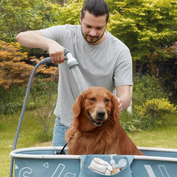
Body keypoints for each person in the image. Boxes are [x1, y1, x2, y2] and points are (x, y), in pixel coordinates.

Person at [16, 0, 133, 148]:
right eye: (88, 26)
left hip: (101, 130)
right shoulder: (66, 34)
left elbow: (125, 95)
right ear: (80, 19)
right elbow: (22, 37)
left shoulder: (120, 51)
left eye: (99, 28)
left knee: (99, 171)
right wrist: (51, 44)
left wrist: (119, 103)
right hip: (66, 125)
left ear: (106, 24)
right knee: (61, 170)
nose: (92, 33)